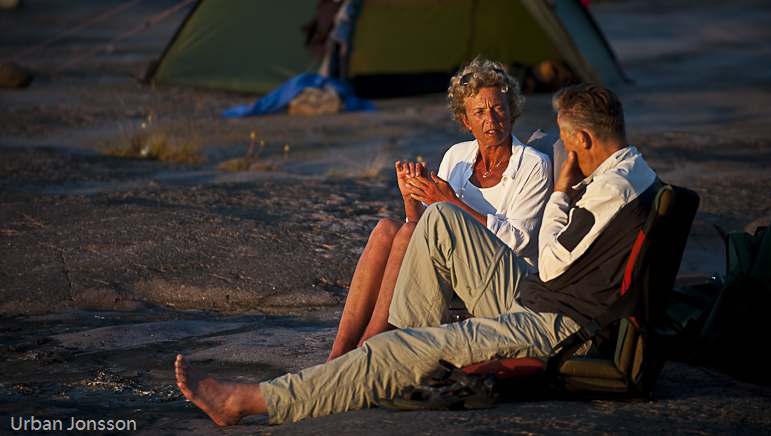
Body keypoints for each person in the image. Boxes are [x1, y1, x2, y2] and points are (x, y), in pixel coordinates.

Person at [175, 83, 661, 426]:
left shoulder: (607, 191)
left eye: (563, 136)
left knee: (391, 349)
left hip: (552, 323)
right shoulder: (633, 171)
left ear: (583, 140)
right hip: (544, 296)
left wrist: (560, 190)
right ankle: (396, 354)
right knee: (438, 220)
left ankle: (247, 401)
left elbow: (552, 261)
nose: (559, 144)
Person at [327, 57, 552, 361]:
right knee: (386, 229)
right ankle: (339, 350)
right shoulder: (457, 157)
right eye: (479, 112)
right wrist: (412, 197)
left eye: (499, 108)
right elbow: (425, 231)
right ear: (465, 120)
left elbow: (518, 241)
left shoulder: (534, 165)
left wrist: (451, 203)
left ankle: (370, 348)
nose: (491, 120)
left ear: (512, 111)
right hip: (448, 263)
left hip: (498, 278)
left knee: (409, 232)